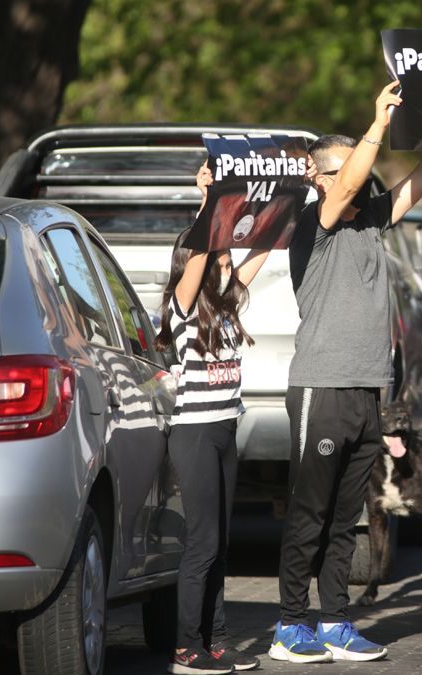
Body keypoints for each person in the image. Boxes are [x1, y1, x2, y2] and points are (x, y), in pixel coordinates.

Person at [269, 76, 422, 664]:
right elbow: (347, 182)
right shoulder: (311, 225)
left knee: (347, 519)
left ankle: (335, 622)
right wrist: (377, 125)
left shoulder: (373, 219)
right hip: (322, 386)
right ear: (317, 178)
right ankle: (291, 624)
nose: (363, 174)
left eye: (364, 163)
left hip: (368, 391)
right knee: (310, 513)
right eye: (348, 168)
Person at [156, 163, 274, 674]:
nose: (228, 261)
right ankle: (186, 648)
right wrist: (208, 201)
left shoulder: (227, 309)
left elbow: (265, 246)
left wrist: (284, 202)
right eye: (220, 256)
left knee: (221, 545)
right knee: (202, 543)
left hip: (226, 429)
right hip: (195, 433)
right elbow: (204, 249)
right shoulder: (182, 308)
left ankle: (218, 640)